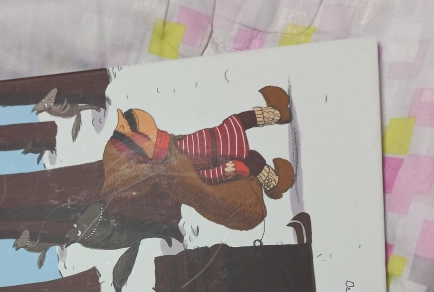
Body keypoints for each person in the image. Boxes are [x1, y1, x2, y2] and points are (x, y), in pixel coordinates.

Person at [100, 86, 295, 231]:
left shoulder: (170, 146)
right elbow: (204, 179)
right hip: (222, 154)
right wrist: (227, 170)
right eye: (130, 127)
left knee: (240, 120)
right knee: (253, 159)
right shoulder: (176, 170)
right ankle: (275, 184)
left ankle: (276, 113)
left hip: (218, 138)